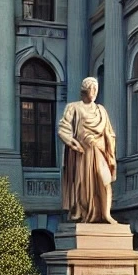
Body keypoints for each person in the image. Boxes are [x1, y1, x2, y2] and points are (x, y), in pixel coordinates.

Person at [59, 76, 117, 224]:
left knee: (105, 179)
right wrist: (72, 142)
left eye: (96, 88)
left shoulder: (101, 110)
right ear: (84, 90)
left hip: (99, 150)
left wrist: (110, 150)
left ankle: (106, 213)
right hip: (82, 154)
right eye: (91, 88)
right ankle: (81, 211)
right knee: (82, 186)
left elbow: (109, 132)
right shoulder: (73, 107)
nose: (94, 91)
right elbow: (63, 128)